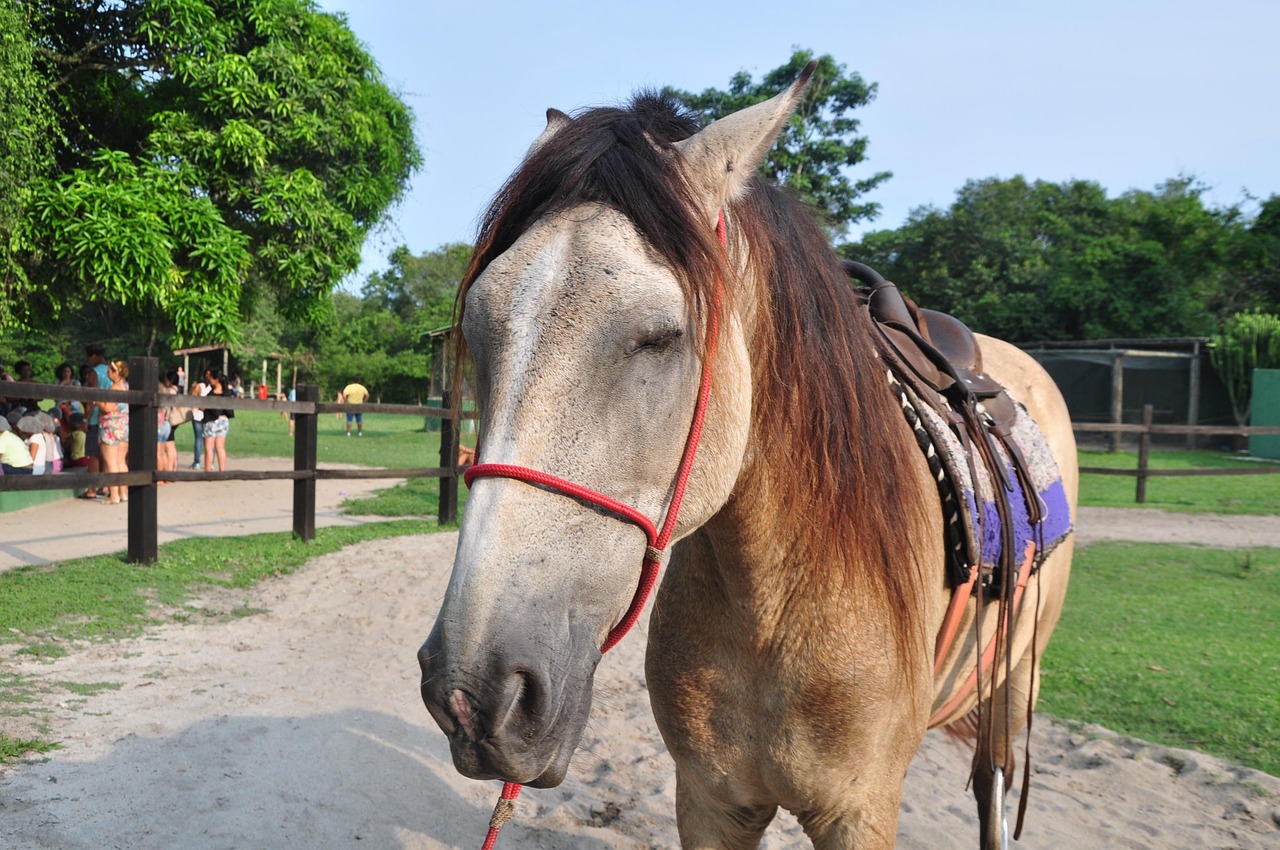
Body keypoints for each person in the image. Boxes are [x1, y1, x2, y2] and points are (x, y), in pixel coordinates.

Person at [97, 359, 130, 505]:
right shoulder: (126, 386)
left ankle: (114, 495)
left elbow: (108, 407)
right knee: (121, 461)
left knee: (111, 463)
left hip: (111, 427)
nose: (107, 373)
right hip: (123, 426)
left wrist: (97, 400)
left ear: (115, 372)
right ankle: (123, 493)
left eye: (110, 370)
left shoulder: (114, 387)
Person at [201, 369, 232, 472]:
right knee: (220, 447)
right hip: (224, 420)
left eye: (211, 378)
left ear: (216, 379)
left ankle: (207, 472)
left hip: (212, 421)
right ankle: (222, 471)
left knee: (209, 448)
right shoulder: (226, 393)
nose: (209, 379)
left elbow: (203, 406)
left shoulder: (212, 393)